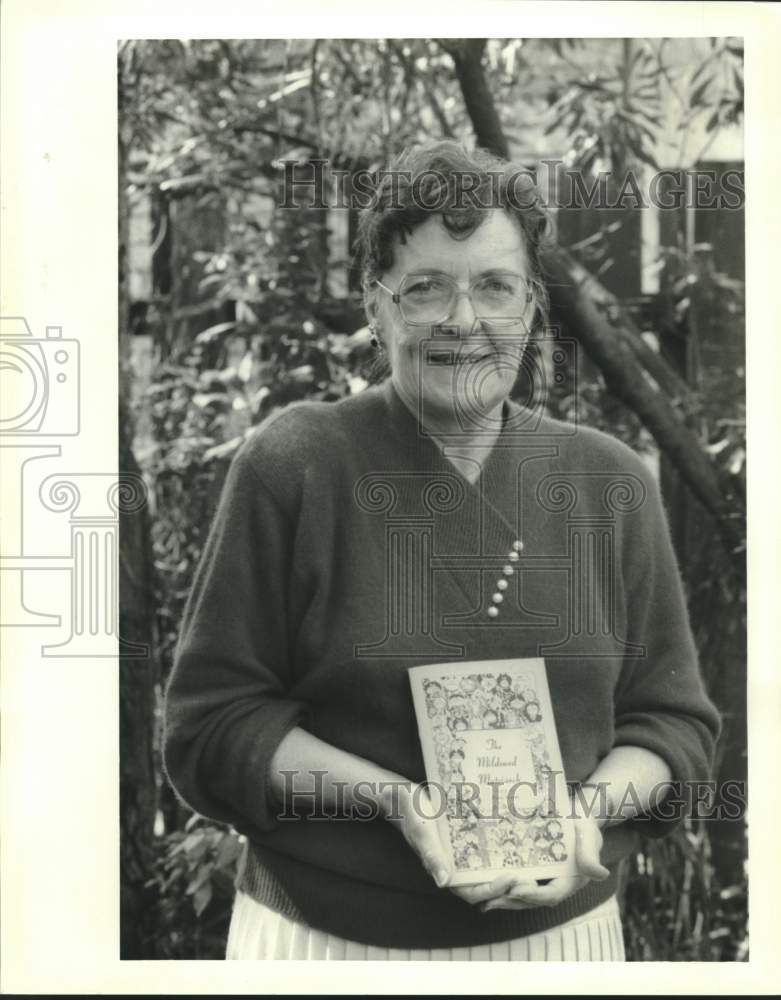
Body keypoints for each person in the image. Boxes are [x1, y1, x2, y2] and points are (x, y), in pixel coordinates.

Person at [163, 140, 721, 961]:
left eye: (495, 287)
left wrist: (585, 814)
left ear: (530, 306)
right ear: (374, 306)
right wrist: (398, 802)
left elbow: (672, 725)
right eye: (425, 288)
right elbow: (213, 727)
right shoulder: (295, 464)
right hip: (325, 945)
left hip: (561, 944)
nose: (465, 320)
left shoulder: (607, 481)